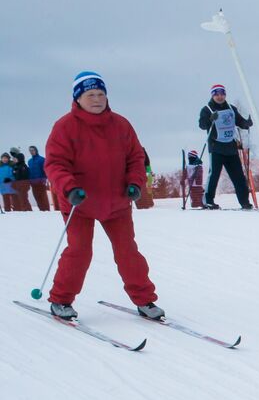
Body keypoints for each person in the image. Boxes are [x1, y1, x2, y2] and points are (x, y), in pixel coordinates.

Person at [44, 72, 163, 321]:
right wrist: (69, 188)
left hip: (117, 201)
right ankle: (61, 299)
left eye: (100, 94)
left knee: (127, 250)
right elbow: (55, 164)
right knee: (79, 250)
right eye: (90, 95)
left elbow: (136, 158)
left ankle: (145, 300)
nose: (96, 99)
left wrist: (135, 182)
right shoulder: (65, 127)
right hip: (79, 203)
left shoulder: (121, 124)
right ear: (78, 99)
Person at [198, 84, 253, 209]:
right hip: (216, 147)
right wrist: (210, 119)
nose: (220, 96)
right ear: (213, 95)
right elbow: (202, 125)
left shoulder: (231, 108)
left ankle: (244, 202)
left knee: (239, 176)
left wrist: (246, 123)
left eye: (222, 94)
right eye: (217, 94)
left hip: (231, 147)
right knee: (214, 175)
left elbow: (239, 121)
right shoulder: (207, 109)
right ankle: (209, 201)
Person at [27, 145, 50, 211]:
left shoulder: (42, 159)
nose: (31, 152)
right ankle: (41, 209)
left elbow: (45, 169)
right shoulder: (29, 161)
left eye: (33, 150)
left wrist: (45, 179)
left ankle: (47, 210)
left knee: (43, 196)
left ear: (36, 150)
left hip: (41, 181)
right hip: (33, 182)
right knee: (36, 197)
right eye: (30, 150)